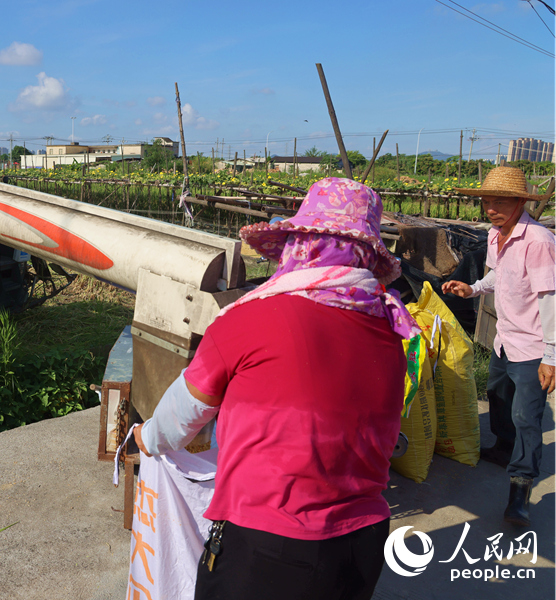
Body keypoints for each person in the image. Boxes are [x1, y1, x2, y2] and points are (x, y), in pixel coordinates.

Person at [134, 177, 421, 600]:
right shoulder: (392, 331)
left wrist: (147, 437)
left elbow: (179, 420)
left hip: (268, 546)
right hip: (361, 543)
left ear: (300, 245)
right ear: (363, 258)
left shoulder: (248, 320)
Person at [442, 166, 554, 527]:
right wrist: (473, 289)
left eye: (500, 201)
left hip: (533, 345)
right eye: (488, 201)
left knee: (527, 417)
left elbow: (550, 298)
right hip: (505, 339)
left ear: (521, 201)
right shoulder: (495, 234)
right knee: (498, 396)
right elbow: (496, 274)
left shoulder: (538, 241)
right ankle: (504, 448)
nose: (492, 208)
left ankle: (519, 490)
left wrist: (551, 356)